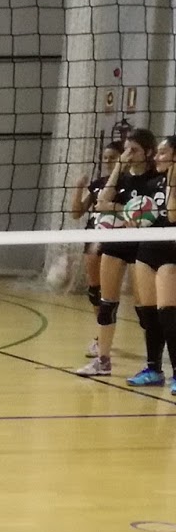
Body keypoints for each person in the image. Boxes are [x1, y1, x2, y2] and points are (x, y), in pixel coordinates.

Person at [76, 128, 160, 380]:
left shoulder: (156, 179)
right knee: (107, 303)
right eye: (126, 149)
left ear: (148, 152)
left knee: (144, 309)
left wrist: (117, 208)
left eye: (134, 150)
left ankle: (153, 364)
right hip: (116, 243)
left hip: (142, 246)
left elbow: (150, 212)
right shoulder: (121, 177)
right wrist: (118, 169)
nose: (128, 154)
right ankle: (103, 361)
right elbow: (102, 202)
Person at [126, 135, 175, 388]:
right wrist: (132, 219)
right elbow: (140, 211)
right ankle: (153, 370)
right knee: (149, 314)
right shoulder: (153, 182)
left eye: (163, 153)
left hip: (172, 251)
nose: (157, 157)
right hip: (147, 249)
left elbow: (173, 215)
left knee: (168, 314)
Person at [72, 140, 121, 357]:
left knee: (110, 295)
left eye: (113, 157)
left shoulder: (127, 183)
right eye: (106, 158)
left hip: (116, 240)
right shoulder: (98, 184)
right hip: (93, 236)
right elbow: (76, 213)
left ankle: (105, 336)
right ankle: (101, 335)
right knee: (94, 291)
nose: (108, 161)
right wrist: (79, 188)